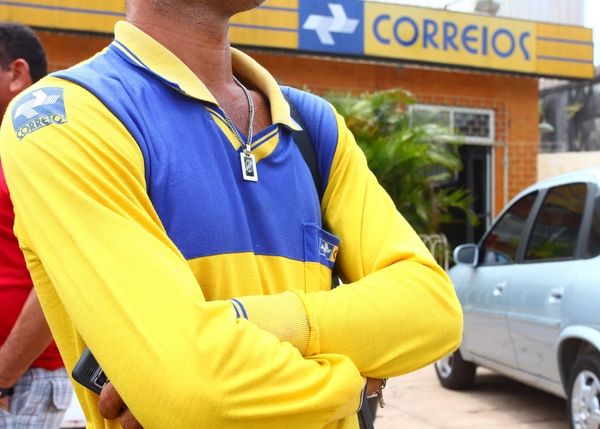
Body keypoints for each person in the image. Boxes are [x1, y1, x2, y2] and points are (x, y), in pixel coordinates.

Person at [0, 1, 463, 428]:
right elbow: (197, 392)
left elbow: (433, 311)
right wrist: (356, 385)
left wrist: (244, 321)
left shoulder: (312, 123)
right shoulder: (65, 117)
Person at [0, 22, 73, 428]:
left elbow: (63, 272)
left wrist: (4, 374)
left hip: (23, 380)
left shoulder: (46, 147)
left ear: (16, 73)